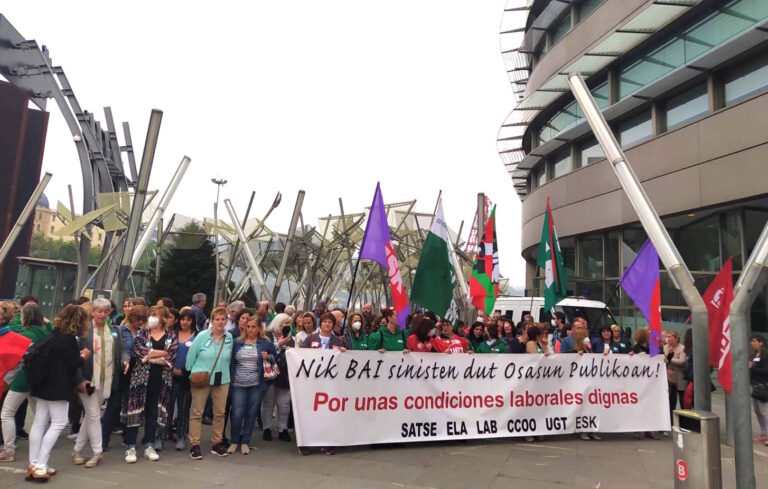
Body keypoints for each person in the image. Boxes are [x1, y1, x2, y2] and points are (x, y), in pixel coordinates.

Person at [27, 304, 90, 482]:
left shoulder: (53, 335)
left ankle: (33, 463)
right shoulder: (69, 339)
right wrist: (83, 356)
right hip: (59, 386)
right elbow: (73, 363)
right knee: (59, 422)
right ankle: (41, 464)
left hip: (43, 384)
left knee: (40, 422)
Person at [121, 306, 177, 463]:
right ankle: (130, 446)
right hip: (140, 379)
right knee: (135, 410)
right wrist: (161, 354)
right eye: (151, 315)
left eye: (156, 315)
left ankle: (149, 445)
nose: (152, 318)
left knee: (153, 412)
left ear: (163, 318)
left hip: (160, 380)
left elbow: (172, 354)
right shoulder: (142, 333)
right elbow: (139, 352)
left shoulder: (171, 335)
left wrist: (153, 355)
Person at [72, 297, 123, 468]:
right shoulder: (83, 331)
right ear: (92, 312)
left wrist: (125, 360)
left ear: (110, 313)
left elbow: (120, 351)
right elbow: (75, 357)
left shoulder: (115, 330)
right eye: (99, 311)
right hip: (87, 379)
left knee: (89, 416)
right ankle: (97, 452)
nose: (102, 314)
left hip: (106, 379)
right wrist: (79, 379)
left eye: (106, 311)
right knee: (94, 415)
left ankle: (77, 449)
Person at [0, 303, 51, 462]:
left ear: (26, 317)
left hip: (22, 379)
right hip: (39, 380)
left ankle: (8, 449)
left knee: (7, 413)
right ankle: (42, 446)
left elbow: (17, 359)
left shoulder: (25, 335)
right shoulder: (45, 332)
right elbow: (50, 326)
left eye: (21, 315)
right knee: (40, 416)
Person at [186, 307, 233, 460]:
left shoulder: (229, 338)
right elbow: (191, 355)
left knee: (220, 413)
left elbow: (228, 356)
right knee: (197, 412)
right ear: (211, 321)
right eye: (217, 319)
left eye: (223, 319)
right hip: (202, 377)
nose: (220, 322)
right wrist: (192, 371)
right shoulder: (202, 336)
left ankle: (217, 442)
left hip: (222, 378)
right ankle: (194, 444)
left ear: (226, 321)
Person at [299, 312, 345, 455]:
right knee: (309, 413)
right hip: (312, 383)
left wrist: (344, 352)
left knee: (327, 413)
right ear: (321, 324)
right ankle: (306, 443)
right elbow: (300, 356)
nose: (327, 324)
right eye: (325, 322)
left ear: (333, 325)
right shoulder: (310, 338)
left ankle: (327, 442)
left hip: (330, 384)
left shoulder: (337, 341)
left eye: (330, 323)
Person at [103, 305, 148, 451]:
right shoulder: (120, 330)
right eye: (136, 320)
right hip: (122, 371)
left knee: (132, 407)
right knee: (114, 405)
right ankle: (103, 439)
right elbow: (123, 350)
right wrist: (125, 361)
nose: (138, 323)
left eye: (141, 320)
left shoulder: (144, 332)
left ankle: (129, 440)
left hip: (138, 372)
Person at [228, 317, 276, 453]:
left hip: (256, 383)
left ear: (259, 328)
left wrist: (268, 357)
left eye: (253, 327)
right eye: (248, 326)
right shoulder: (237, 342)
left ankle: (245, 441)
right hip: (238, 383)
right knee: (237, 413)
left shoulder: (265, 342)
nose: (250, 329)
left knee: (251, 413)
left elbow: (274, 358)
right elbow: (231, 361)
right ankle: (234, 440)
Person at [262, 318, 294, 442]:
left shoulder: (292, 339)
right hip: (270, 372)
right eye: (283, 323)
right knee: (268, 402)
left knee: (284, 403)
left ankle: (283, 429)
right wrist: (278, 345)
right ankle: (267, 428)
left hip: (285, 374)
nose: (285, 326)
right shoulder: (267, 336)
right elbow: (264, 352)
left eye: (288, 324)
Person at [169, 308, 196, 451]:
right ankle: (163, 435)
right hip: (170, 374)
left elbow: (197, 357)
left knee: (184, 408)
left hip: (186, 377)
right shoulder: (172, 334)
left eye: (188, 320)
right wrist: (171, 368)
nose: (185, 322)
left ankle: (181, 436)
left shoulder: (196, 336)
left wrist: (184, 371)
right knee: (168, 407)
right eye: (183, 319)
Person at [664, 330, 687, 422]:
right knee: (671, 401)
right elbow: (663, 360)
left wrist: (669, 360)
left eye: (670, 337)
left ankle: (686, 421)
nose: (668, 339)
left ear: (676, 338)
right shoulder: (665, 347)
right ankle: (671, 421)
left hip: (681, 377)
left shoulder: (682, 348)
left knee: (683, 401)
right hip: (670, 377)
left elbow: (682, 361)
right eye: (667, 337)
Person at [750, 335, 768, 444]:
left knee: (764, 411)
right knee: (757, 411)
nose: (752, 343)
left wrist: (753, 367)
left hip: (763, 385)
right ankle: (763, 433)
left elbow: (766, 371)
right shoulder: (753, 355)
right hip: (754, 385)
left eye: (754, 341)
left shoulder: (765, 356)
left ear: (761, 343)